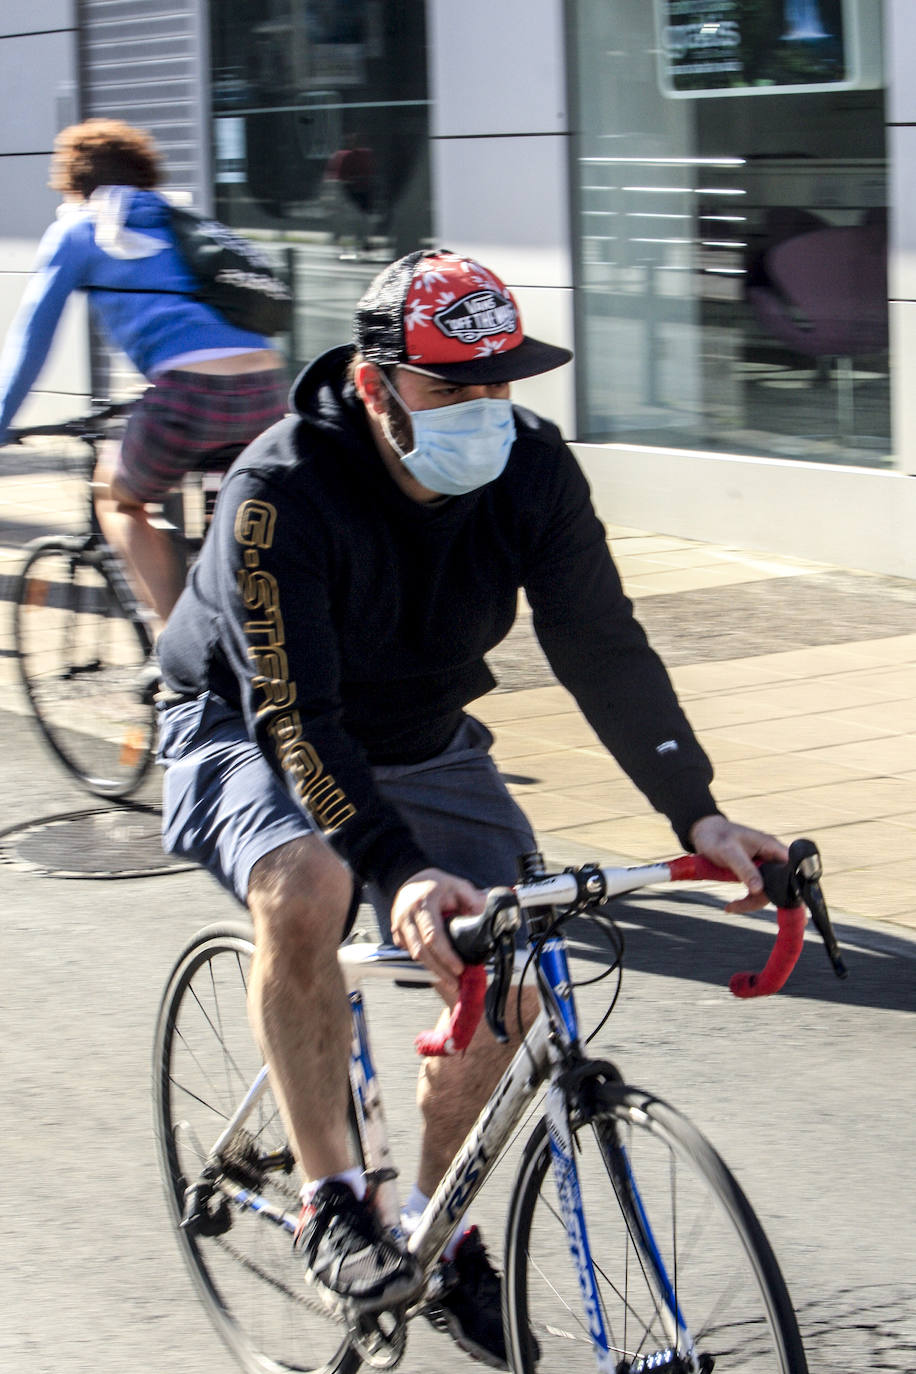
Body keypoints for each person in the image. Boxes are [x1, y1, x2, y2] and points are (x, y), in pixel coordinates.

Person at [155, 248, 788, 1365]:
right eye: (454, 388)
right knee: (313, 883)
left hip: (422, 730)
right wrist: (396, 870)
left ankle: (436, 1237)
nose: (488, 410)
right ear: (373, 384)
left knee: (515, 957)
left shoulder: (533, 468)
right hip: (245, 719)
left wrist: (697, 814)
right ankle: (333, 1199)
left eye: (504, 383)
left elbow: (600, 642)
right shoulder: (279, 491)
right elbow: (293, 717)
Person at [0, 118, 288, 632]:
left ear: (75, 183)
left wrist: (3, 418)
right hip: (267, 392)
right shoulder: (181, 220)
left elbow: (31, 340)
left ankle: (183, 648)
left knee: (118, 497)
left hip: (191, 396)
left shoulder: (80, 227)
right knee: (240, 519)